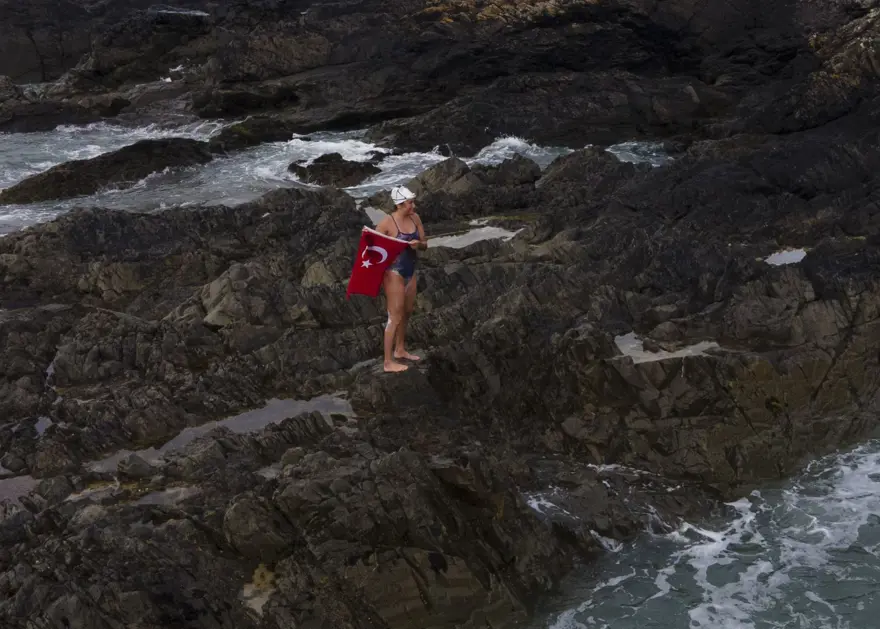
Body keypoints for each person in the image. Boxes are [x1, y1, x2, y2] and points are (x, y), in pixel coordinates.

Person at [376, 185, 427, 373]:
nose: (413, 206)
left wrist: (418, 246)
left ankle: (400, 349)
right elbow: (373, 248)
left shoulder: (415, 218)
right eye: (409, 203)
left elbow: (425, 244)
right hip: (393, 273)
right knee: (394, 316)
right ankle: (388, 362)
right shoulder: (386, 224)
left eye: (413, 202)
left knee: (407, 311)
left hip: (410, 271)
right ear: (399, 204)